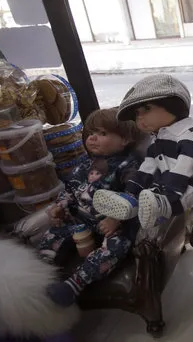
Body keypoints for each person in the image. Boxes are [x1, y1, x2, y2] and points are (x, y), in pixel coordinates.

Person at [38, 107, 142, 307]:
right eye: (92, 133)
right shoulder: (85, 165)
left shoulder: (129, 166)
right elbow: (70, 189)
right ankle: (43, 267)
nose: (92, 138)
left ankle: (75, 283)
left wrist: (116, 218)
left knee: (117, 246)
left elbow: (134, 194)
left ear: (125, 139)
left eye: (102, 134)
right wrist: (59, 206)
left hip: (112, 226)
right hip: (82, 221)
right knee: (55, 231)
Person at [93, 74, 193, 229]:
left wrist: (169, 191)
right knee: (148, 191)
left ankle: (162, 208)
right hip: (164, 183)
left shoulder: (188, 136)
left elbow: (186, 166)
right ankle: (131, 202)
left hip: (187, 182)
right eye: (137, 114)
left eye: (146, 109)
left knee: (191, 190)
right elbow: (148, 166)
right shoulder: (157, 139)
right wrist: (133, 187)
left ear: (174, 105)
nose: (140, 118)